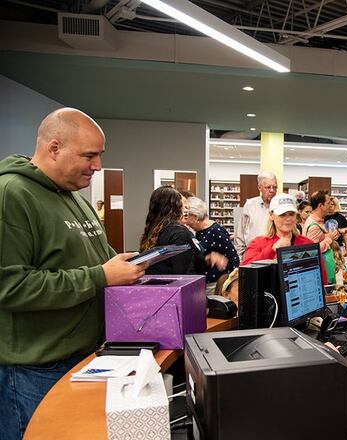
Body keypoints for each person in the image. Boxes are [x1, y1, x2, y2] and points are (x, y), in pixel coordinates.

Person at [0, 108, 145, 439]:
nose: (97, 166)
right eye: (89, 156)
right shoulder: (12, 195)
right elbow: (10, 286)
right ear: (54, 148)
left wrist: (128, 265)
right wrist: (99, 277)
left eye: (99, 155)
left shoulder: (76, 199)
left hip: (84, 358)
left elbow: (98, 260)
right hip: (35, 369)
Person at [140, 186, 227, 276]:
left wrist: (205, 259)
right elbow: (184, 273)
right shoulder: (180, 233)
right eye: (184, 206)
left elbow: (171, 261)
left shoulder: (154, 230)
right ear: (176, 206)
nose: (186, 210)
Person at [183, 196, 240, 292]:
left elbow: (234, 260)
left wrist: (223, 283)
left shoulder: (216, 231)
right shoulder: (200, 231)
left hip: (214, 285)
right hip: (206, 282)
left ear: (195, 217)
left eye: (187, 216)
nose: (186, 222)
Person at [241, 194, 314, 264]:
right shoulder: (258, 243)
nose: (288, 219)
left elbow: (321, 274)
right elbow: (245, 269)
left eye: (291, 214)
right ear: (271, 215)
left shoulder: (307, 244)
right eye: (282, 214)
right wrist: (272, 250)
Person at [234, 171, 277, 258]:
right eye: (268, 187)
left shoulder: (280, 206)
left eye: (275, 187)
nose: (272, 190)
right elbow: (240, 233)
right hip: (252, 256)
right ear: (259, 188)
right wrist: (242, 255)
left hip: (273, 256)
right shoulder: (250, 205)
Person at [304, 190, 341, 285]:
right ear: (320, 205)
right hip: (321, 274)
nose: (331, 206)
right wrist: (329, 239)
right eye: (328, 203)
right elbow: (312, 250)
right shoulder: (314, 226)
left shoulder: (318, 221)